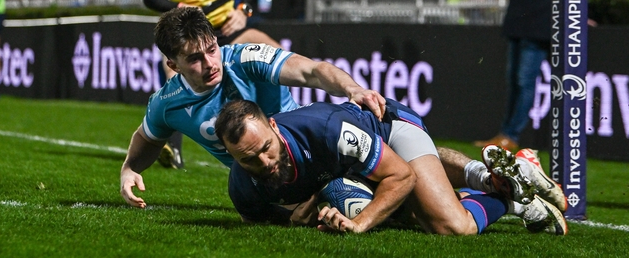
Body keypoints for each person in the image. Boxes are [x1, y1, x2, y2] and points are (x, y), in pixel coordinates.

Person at [119, 6, 386, 206]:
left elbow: (312, 72)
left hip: (312, 153)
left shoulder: (247, 59)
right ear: (173, 66)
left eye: (212, 49)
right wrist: (130, 169)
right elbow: (148, 136)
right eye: (195, 59)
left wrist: (354, 89)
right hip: (271, 187)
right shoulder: (166, 103)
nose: (211, 63)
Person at [215, 98, 567, 235]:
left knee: (449, 225)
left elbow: (401, 175)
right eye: (248, 159)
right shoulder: (242, 187)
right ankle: (493, 178)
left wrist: (358, 223)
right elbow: (274, 221)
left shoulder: (326, 130)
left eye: (265, 149)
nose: (263, 162)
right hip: (348, 168)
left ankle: (508, 198)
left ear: (274, 127)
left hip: (389, 131)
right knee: (404, 212)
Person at [141, 0, 281, 168]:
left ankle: (282, 127)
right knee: (174, 78)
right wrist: (176, 5)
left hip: (227, 25)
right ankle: (170, 145)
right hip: (191, 34)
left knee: (274, 53)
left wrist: (245, 10)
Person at [474, 0, 553, 152]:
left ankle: (512, 134)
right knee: (514, 83)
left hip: (537, 29)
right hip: (519, 27)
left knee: (524, 81)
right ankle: (505, 133)